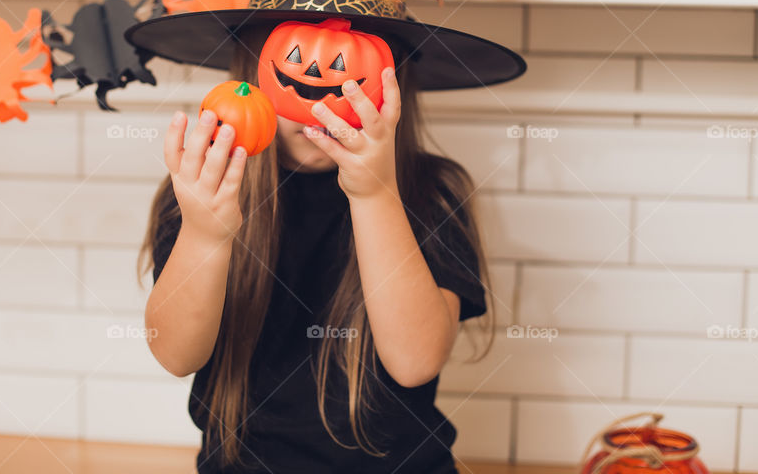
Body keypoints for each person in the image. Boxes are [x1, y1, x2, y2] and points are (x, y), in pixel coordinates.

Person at [136, 47, 496, 474]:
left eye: (347, 69)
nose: (318, 105)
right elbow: (177, 356)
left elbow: (415, 362)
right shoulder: (202, 188)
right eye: (296, 58)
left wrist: (376, 193)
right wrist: (203, 235)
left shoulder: (432, 192)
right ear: (251, 71)